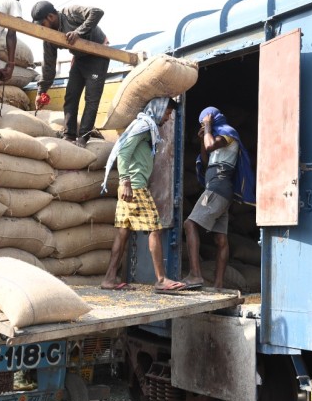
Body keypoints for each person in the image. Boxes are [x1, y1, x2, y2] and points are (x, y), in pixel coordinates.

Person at [100, 97, 190, 292]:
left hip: (131, 187)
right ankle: (161, 279)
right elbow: (123, 152)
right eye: (167, 113)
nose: (168, 118)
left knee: (123, 233)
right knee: (155, 229)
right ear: (158, 109)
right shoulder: (142, 126)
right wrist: (125, 181)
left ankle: (109, 278)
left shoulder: (147, 127)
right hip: (135, 187)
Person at [183, 107, 256, 289]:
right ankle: (218, 285)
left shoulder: (228, 134)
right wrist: (203, 137)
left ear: (213, 120)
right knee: (220, 240)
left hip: (218, 188)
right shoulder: (215, 139)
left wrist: (208, 128)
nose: (204, 127)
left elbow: (210, 146)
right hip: (220, 190)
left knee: (189, 224)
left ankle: (195, 275)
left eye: (205, 122)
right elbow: (206, 160)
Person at [32, 1, 110, 145]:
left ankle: (83, 137)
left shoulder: (70, 13)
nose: (42, 28)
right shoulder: (49, 37)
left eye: (42, 24)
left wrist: (78, 32)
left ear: (50, 17)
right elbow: (49, 66)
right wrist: (41, 91)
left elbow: (97, 12)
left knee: (91, 98)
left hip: (98, 55)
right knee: (71, 96)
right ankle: (69, 134)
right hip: (80, 59)